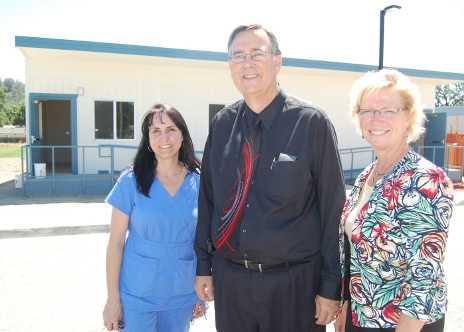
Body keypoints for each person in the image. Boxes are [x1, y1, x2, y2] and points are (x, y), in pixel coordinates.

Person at [194, 24, 346, 332]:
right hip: (232, 283)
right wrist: (203, 265)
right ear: (229, 65)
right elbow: (208, 199)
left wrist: (331, 286)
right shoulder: (222, 125)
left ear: (278, 61)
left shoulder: (311, 124)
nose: (247, 63)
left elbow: (333, 210)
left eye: (257, 54)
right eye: (238, 55)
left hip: (294, 286)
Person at [334, 69, 454, 332]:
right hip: (362, 315)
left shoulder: (427, 180)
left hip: (403, 324)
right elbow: (353, 251)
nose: (376, 119)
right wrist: (347, 304)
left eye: (388, 110)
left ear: (408, 117)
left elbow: (425, 276)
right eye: (367, 110)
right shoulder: (367, 175)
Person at [102, 104, 205, 331]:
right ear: (147, 139)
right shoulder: (131, 181)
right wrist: (112, 299)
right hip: (137, 293)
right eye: (155, 131)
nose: (164, 137)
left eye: (171, 129)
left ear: (182, 135)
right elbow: (116, 243)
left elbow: (204, 243)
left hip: (181, 292)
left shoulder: (199, 183)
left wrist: (201, 291)